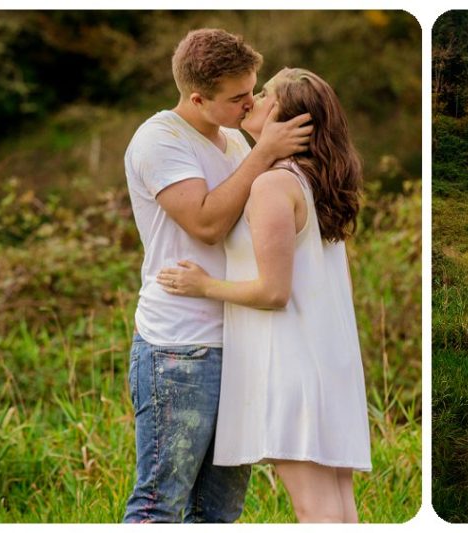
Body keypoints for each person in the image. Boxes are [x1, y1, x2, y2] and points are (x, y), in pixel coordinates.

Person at [157, 67, 371, 523]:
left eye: (265, 95)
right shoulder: (313, 180)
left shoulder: (274, 185)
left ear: (290, 120)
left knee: (315, 510)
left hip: (290, 361)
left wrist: (203, 286)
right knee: (340, 510)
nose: (251, 99)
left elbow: (274, 292)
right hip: (325, 360)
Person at [122, 29, 313, 523]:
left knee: (218, 512)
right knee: (159, 503)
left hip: (241, 342)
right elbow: (206, 223)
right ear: (197, 98)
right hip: (180, 347)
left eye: (253, 90)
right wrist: (262, 152)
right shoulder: (159, 140)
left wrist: (260, 147)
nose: (250, 104)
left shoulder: (232, 139)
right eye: (238, 98)